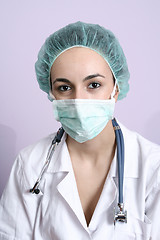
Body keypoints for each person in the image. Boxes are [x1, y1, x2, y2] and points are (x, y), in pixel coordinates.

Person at [0, 21, 160, 240]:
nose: (78, 101)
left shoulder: (153, 166)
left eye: (93, 84)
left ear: (116, 89)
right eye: (64, 88)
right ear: (51, 94)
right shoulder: (29, 163)